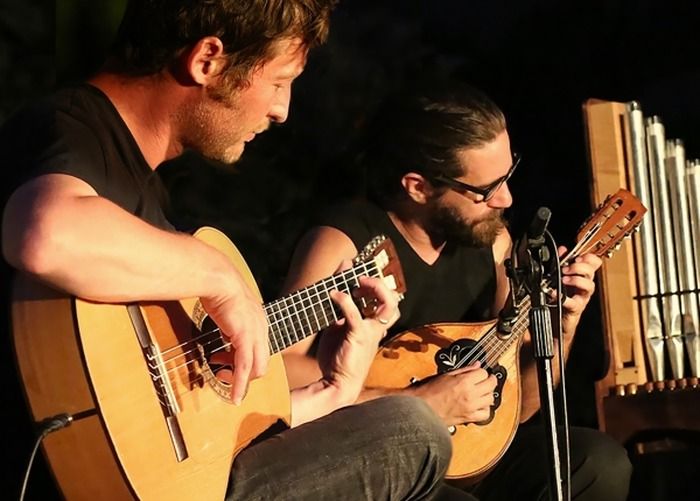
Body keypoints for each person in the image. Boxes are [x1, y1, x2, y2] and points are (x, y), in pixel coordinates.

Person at [0, 1, 455, 499]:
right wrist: (218, 274)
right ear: (208, 61)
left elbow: (208, 441)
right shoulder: (71, 127)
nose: (282, 111)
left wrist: (333, 391)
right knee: (412, 430)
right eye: (280, 81)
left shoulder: (148, 199)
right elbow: (44, 234)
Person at [281, 81, 633, 500]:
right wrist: (414, 402)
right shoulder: (343, 244)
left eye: (508, 176)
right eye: (485, 190)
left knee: (598, 463)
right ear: (418, 186)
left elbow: (518, 409)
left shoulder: (493, 243)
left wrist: (559, 328)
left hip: (469, 451)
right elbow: (281, 370)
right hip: (376, 459)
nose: (505, 199)